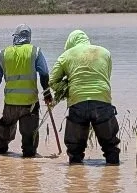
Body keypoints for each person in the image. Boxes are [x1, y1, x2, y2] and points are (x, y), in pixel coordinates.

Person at [49, 28, 119, 166]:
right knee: (110, 147)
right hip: (102, 101)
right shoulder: (105, 52)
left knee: (75, 151)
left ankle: (76, 179)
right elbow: (106, 76)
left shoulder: (65, 56)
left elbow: (52, 81)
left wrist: (65, 90)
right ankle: (112, 175)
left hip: (77, 102)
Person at [0, 26, 52, 157]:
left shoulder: (3, 54)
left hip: (10, 103)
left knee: (4, 137)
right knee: (29, 145)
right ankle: (29, 163)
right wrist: (47, 93)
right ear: (29, 38)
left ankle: (0, 152)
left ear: (15, 37)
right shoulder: (35, 51)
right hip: (30, 104)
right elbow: (44, 73)